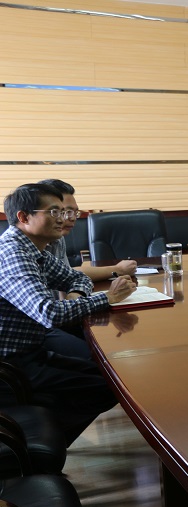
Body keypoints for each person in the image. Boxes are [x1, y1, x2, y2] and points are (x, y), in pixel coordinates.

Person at [0, 183, 137, 445]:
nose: (63, 219)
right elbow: (50, 313)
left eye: (64, 212)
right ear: (23, 217)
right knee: (107, 386)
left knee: (110, 379)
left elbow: (76, 278)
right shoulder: (14, 254)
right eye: (54, 212)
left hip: (32, 350)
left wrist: (75, 297)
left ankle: (42, 440)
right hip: (11, 365)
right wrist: (107, 298)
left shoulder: (33, 248)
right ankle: (33, 446)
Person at [39, 179, 137, 280]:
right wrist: (118, 269)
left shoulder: (58, 239)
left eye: (75, 212)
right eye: (67, 211)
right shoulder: (30, 247)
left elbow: (66, 276)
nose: (73, 218)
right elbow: (67, 275)